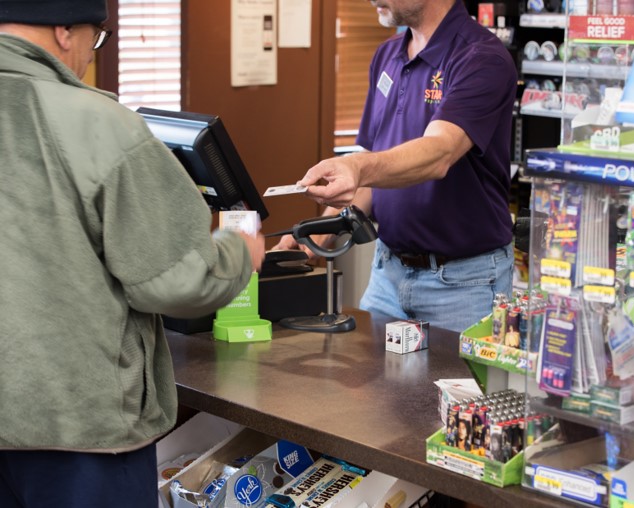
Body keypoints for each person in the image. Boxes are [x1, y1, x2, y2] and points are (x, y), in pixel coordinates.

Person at [0, 1, 265, 506]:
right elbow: (176, 281)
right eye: (94, 40)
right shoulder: (98, 122)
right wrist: (239, 251)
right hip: (81, 432)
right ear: (63, 29)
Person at [276, 0, 517, 332]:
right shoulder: (387, 55)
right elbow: (374, 174)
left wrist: (357, 165)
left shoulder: (481, 59)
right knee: (372, 383)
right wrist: (317, 235)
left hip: (464, 285)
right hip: (388, 274)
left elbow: (440, 152)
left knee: (453, 386)